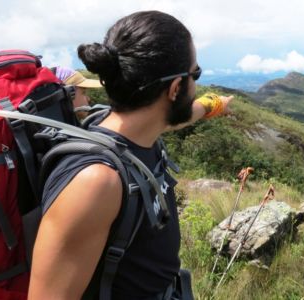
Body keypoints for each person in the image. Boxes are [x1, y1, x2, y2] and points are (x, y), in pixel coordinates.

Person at [28, 11, 232, 299]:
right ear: (175, 88)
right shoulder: (96, 182)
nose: (197, 83)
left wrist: (214, 105)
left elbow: (179, 116)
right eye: (195, 73)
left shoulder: (132, 129)